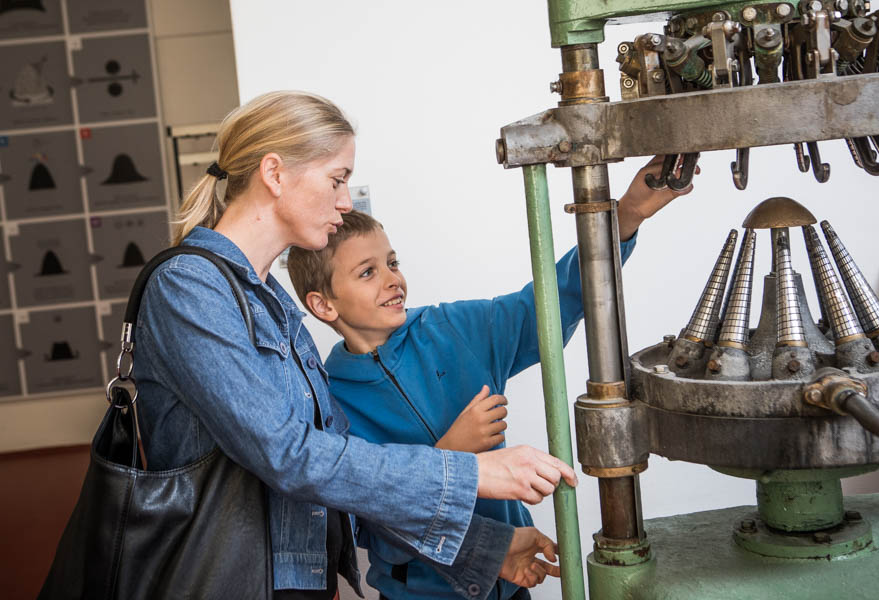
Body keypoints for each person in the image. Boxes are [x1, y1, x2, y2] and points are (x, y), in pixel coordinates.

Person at [133, 90, 579, 600]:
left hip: (292, 580)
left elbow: (343, 475)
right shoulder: (189, 288)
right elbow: (292, 456)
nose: (346, 202)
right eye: (336, 180)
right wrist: (467, 470)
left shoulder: (270, 300)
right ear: (275, 174)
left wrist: (486, 546)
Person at [285, 156, 694, 599]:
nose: (393, 279)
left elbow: (550, 303)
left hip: (510, 581)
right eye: (367, 272)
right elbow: (374, 530)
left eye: (392, 262)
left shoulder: (454, 329)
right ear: (324, 305)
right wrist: (452, 454)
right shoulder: (328, 402)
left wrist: (627, 215)